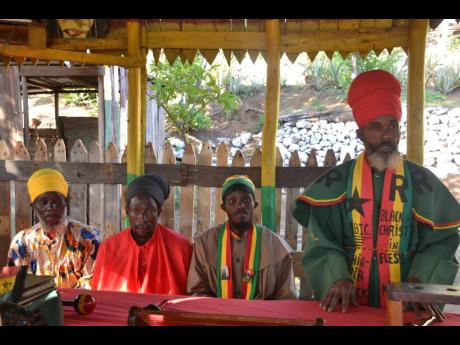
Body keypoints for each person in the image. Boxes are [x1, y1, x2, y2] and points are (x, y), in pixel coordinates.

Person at [293, 69, 460, 313]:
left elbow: (442, 240)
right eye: (376, 127)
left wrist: (419, 281)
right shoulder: (337, 183)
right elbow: (322, 240)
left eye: (393, 126)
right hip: (349, 307)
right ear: (360, 134)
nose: (386, 135)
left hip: (406, 307)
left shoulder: (423, 182)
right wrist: (337, 277)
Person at [187, 175, 296, 300]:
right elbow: (197, 291)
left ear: (254, 204)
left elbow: (286, 297)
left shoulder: (276, 245)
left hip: (261, 316)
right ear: (224, 207)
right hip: (217, 316)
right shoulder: (204, 243)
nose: (240, 205)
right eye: (232, 201)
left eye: (246, 200)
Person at [91, 174, 192, 295]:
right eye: (136, 210)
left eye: (149, 211)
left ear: (159, 212)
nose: (142, 218)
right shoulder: (109, 248)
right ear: (127, 211)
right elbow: (99, 298)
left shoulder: (180, 248)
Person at [7, 168, 101, 288]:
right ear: (33, 206)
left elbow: (93, 286)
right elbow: (11, 288)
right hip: (33, 306)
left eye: (56, 201)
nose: (50, 207)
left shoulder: (88, 238)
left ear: (66, 202)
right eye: (43, 201)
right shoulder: (21, 242)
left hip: (76, 305)